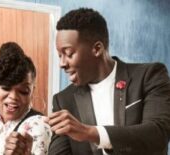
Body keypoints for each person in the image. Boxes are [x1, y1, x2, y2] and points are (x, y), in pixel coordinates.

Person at [44, 8, 170, 155]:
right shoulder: (63, 100)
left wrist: (90, 132)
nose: (62, 63)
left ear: (97, 49)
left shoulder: (149, 76)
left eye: (68, 53)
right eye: (60, 55)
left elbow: (158, 134)